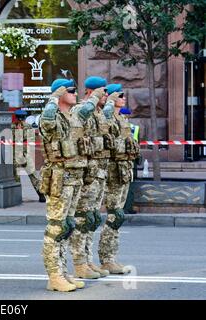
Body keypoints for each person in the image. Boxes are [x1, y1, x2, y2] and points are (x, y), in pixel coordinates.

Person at [39, 78, 101, 292]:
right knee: (56, 227)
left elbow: (88, 110)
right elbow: (46, 122)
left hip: (75, 177)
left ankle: (64, 273)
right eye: (71, 91)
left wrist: (99, 96)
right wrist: (54, 97)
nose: (75, 94)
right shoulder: (51, 115)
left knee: (67, 226)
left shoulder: (73, 116)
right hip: (59, 177)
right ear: (59, 94)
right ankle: (54, 275)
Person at [70, 76, 112, 280]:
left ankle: (87, 260)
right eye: (102, 92)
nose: (106, 95)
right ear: (90, 92)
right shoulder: (82, 109)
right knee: (82, 219)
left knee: (92, 219)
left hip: (99, 173)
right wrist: (93, 99)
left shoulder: (98, 114)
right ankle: (79, 263)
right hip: (87, 174)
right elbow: (80, 118)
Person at [98, 83, 140, 274]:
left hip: (124, 170)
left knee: (118, 217)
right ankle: (106, 259)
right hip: (113, 172)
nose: (124, 98)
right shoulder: (108, 118)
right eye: (120, 95)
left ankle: (112, 258)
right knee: (114, 215)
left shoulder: (122, 118)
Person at [12, 109, 45, 202]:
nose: (20, 120)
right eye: (19, 118)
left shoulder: (29, 127)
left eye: (22, 118)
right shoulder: (11, 127)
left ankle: (41, 194)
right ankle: (16, 196)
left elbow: (31, 139)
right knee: (16, 177)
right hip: (15, 155)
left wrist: (20, 134)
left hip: (26, 154)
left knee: (33, 174)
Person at [120, 107, 140, 215]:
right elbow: (138, 145)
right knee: (130, 184)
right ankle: (127, 207)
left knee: (121, 184)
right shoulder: (134, 128)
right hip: (131, 161)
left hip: (120, 160)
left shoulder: (116, 126)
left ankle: (121, 208)